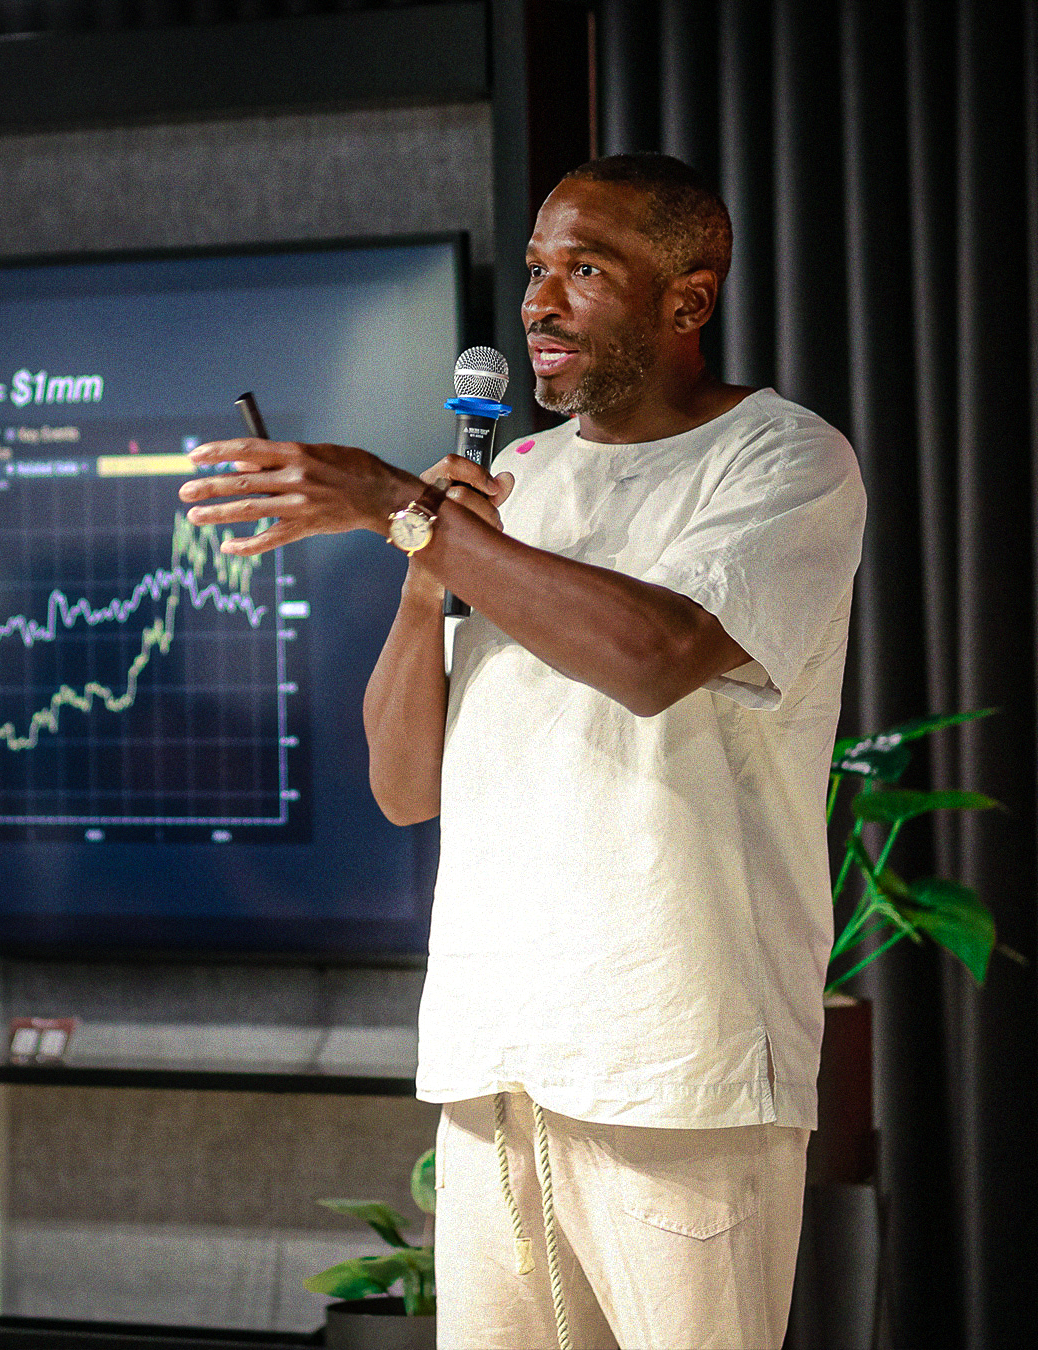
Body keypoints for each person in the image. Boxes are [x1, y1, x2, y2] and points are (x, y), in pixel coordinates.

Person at [179, 153, 866, 1350]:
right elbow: (404, 788)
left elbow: (654, 655)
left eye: (584, 271)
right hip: (497, 1068)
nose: (539, 302)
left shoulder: (781, 459)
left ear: (688, 299)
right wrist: (421, 570)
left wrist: (405, 509)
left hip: (675, 1073)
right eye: (538, 269)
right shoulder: (516, 479)